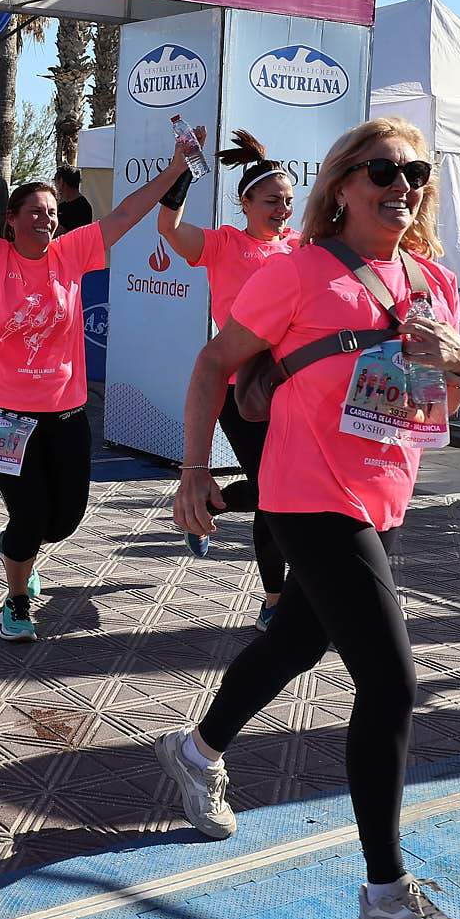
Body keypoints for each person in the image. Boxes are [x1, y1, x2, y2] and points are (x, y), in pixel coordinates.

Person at [159, 116, 460, 919]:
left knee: (294, 643)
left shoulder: (435, 282)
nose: (402, 186)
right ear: (343, 184)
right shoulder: (299, 271)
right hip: (308, 496)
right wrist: (196, 468)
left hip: (378, 497)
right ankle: (384, 895)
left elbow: (443, 399)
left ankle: (195, 751)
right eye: (383, 170)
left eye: (415, 172)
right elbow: (212, 363)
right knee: (392, 678)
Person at [0, 118, 187, 643]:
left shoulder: (70, 254)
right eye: (34, 213)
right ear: (11, 221)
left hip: (66, 412)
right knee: (30, 516)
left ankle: (12, 546)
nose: (45, 221)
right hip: (0, 414)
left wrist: (175, 169)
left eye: (51, 214)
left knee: (63, 522)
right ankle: (17, 599)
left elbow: (125, 213)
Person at [155, 129, 300, 627]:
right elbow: (169, 228)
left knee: (283, 489)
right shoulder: (223, 244)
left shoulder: (303, 248)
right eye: (271, 201)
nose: (282, 210)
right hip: (243, 389)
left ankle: (208, 504)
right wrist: (183, 174)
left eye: (288, 201)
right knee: (269, 493)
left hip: (297, 388)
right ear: (245, 203)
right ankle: (275, 600)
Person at [54, 166, 95, 234]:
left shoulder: (81, 207)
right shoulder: (63, 205)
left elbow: (60, 231)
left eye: (55, 181)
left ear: (61, 181)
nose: (55, 185)